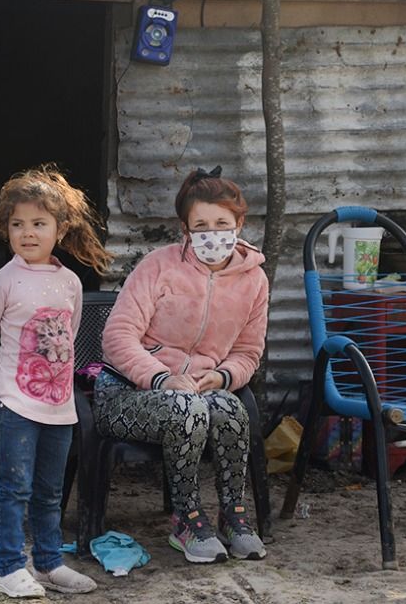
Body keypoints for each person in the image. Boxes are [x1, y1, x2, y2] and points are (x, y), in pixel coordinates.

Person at [97, 166, 269, 564]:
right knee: (186, 409)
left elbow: (247, 352)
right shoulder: (158, 266)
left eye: (222, 223)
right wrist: (161, 378)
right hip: (127, 393)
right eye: (202, 226)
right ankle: (187, 518)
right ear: (185, 229)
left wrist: (222, 376)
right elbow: (118, 336)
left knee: (229, 407)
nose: (213, 234)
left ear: (239, 224)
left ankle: (233, 516)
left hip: (200, 392)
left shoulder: (254, 281)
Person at [0, 166, 111, 598]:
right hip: (13, 405)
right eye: (17, 225)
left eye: (38, 224)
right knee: (15, 487)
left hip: (58, 406)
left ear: (60, 228)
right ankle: (9, 567)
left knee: (49, 491)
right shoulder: (4, 281)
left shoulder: (69, 282)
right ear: (5, 229)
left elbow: (70, 334)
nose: (27, 233)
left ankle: (49, 563)